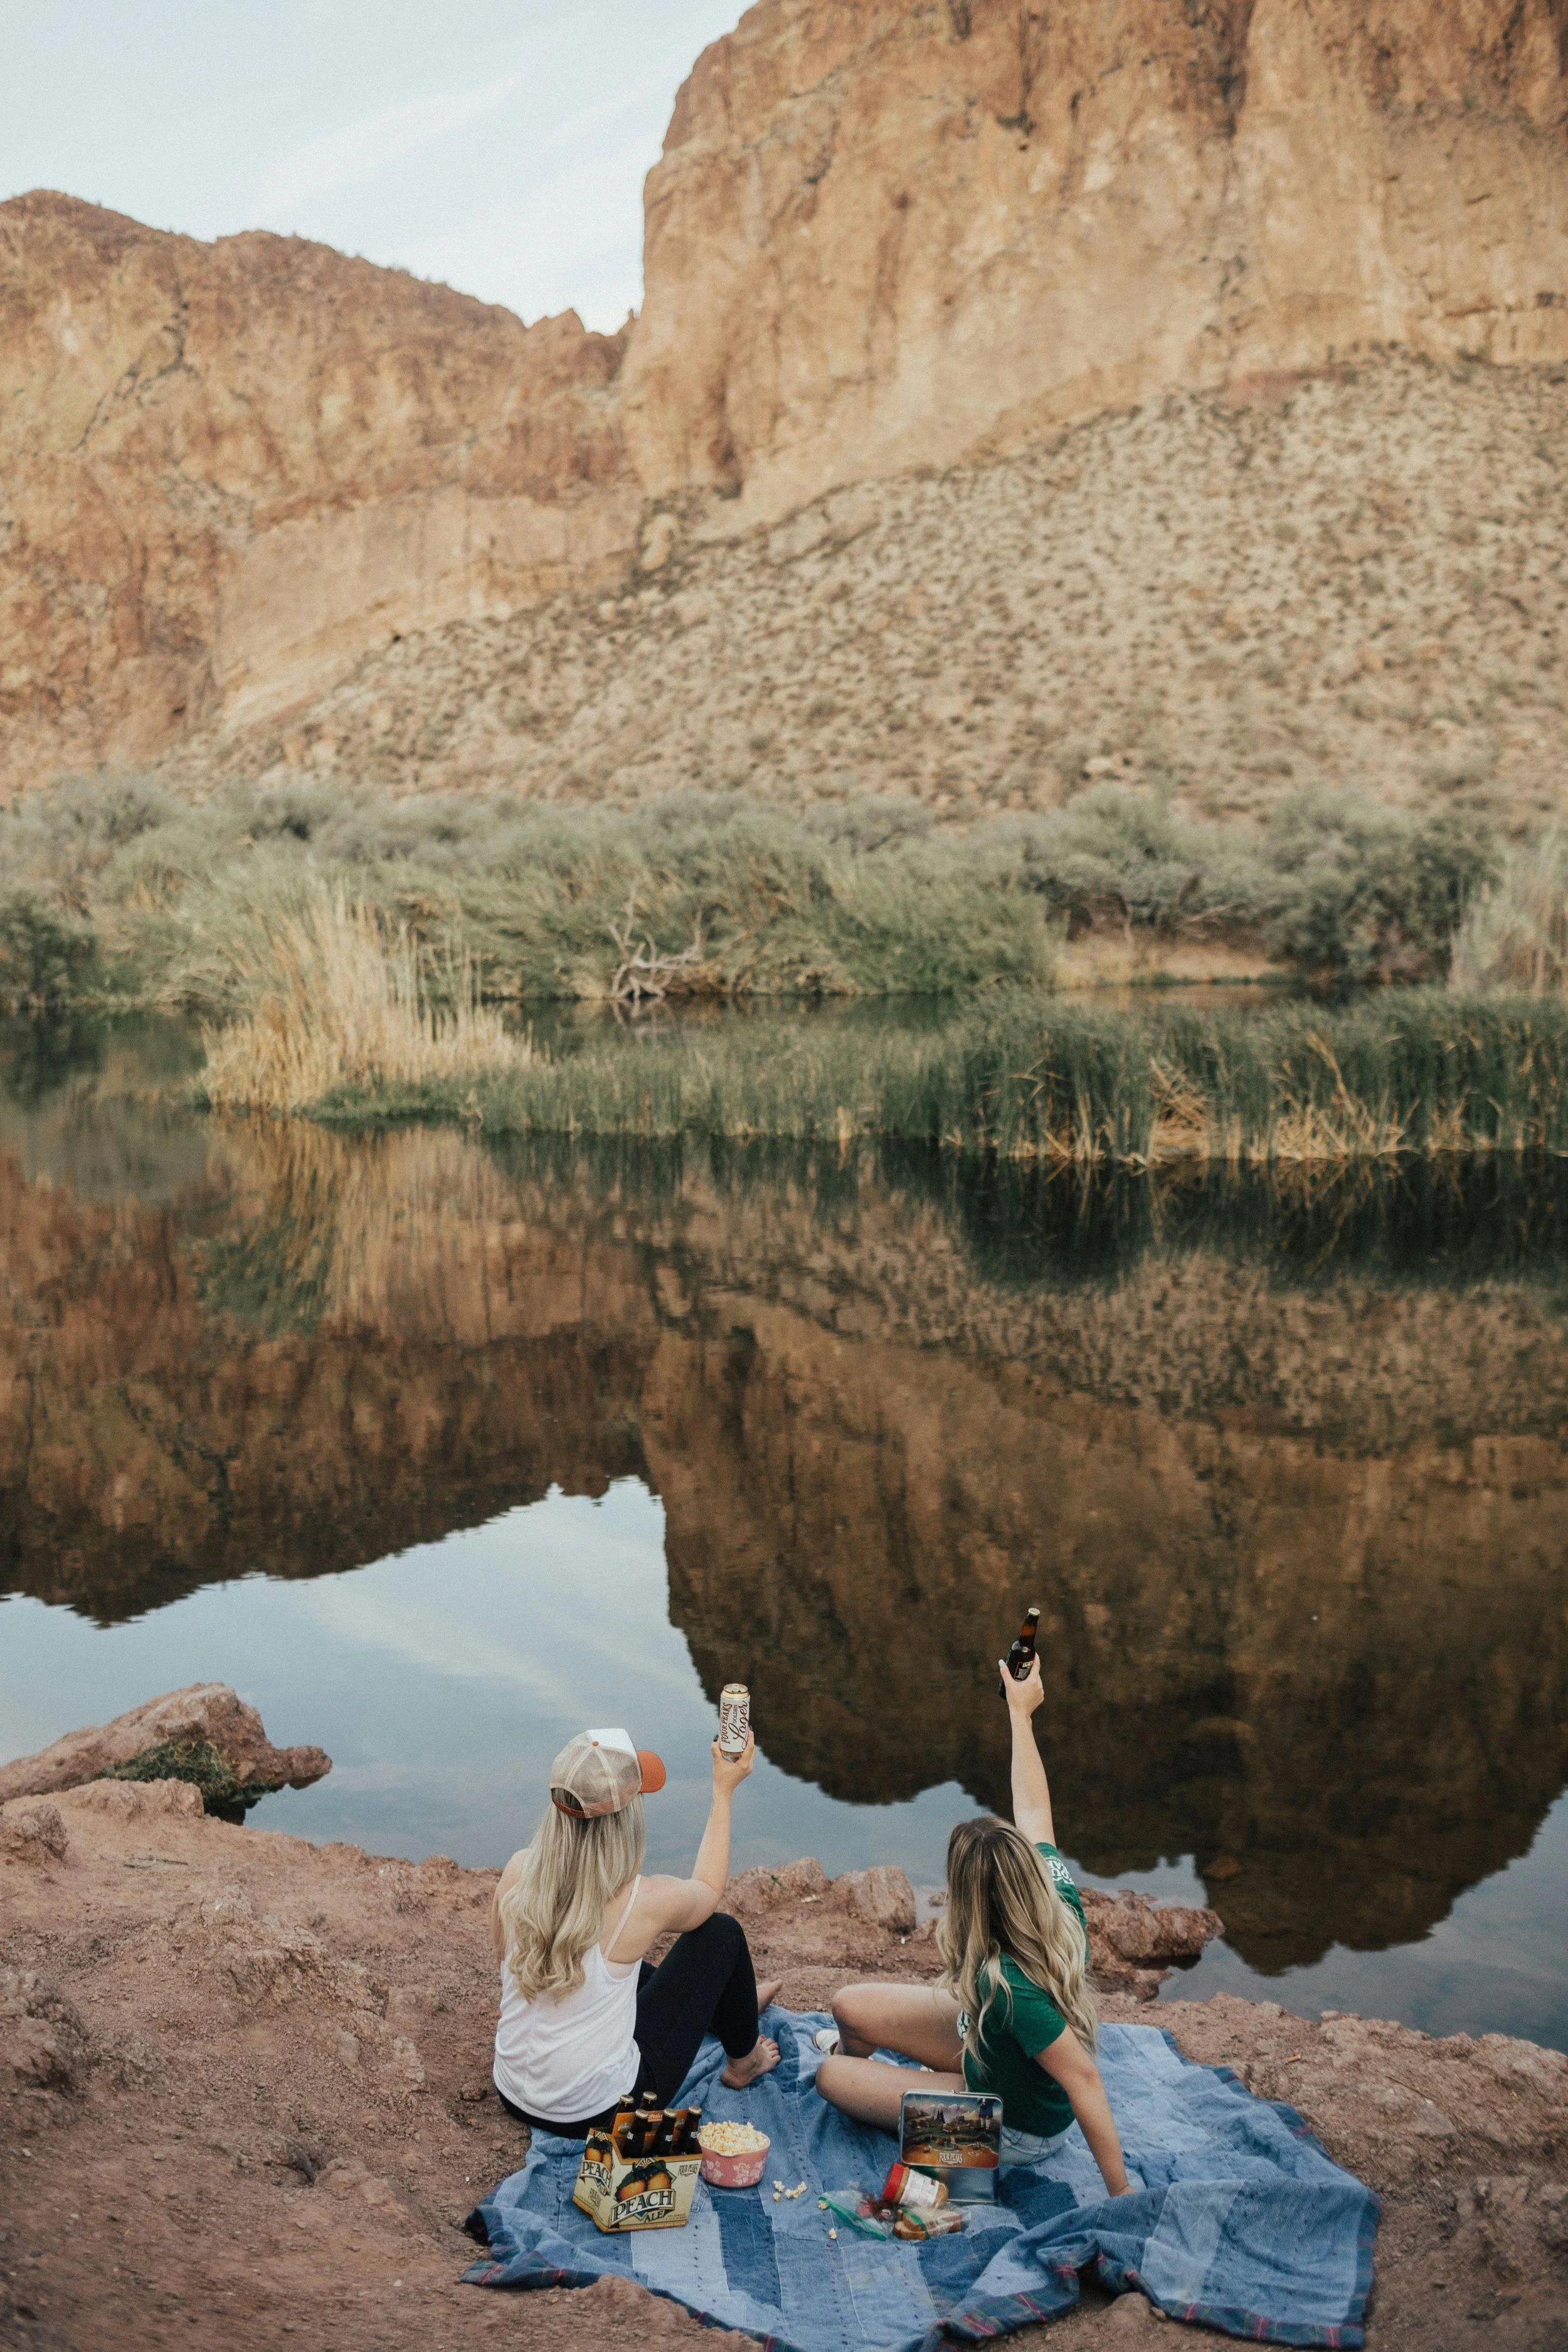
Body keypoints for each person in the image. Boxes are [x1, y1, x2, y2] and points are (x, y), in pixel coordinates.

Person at [813, 1654, 1131, 2196]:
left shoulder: (1004, 1981)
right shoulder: (1057, 1895)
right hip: (990, 2049)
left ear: (970, 1905)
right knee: (849, 2006)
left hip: (1018, 2128)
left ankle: (943, 2113)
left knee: (830, 2080)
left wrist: (1121, 2195)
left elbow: (1085, 2079)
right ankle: (903, 2079)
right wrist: (1020, 1712)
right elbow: (1033, 1807)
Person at [490, 1724, 781, 2137]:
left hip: (513, 2091)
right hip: (598, 2112)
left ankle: (730, 2012)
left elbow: (504, 1959)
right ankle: (743, 2061)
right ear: (625, 1819)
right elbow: (708, 1892)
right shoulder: (640, 1902)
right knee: (721, 1936)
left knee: (612, 1968)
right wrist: (723, 1790)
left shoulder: (519, 1870)